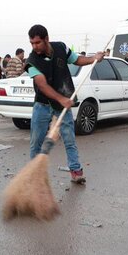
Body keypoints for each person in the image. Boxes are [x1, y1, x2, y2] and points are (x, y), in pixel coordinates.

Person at [25, 24, 103, 184]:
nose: (34, 46)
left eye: (37, 42)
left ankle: (76, 171)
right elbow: (42, 85)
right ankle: (34, 175)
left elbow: (77, 60)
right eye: (32, 43)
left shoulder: (61, 47)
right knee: (36, 142)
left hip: (62, 106)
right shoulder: (31, 61)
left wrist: (93, 58)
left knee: (69, 139)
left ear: (46, 39)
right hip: (42, 105)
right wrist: (62, 99)